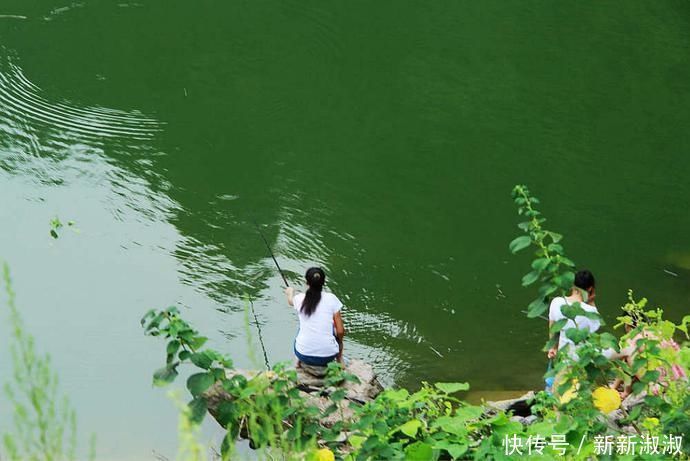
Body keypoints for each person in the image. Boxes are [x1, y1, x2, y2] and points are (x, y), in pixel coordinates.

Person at [285, 267, 345, 367]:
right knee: (334, 329)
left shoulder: (299, 298)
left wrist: (290, 292)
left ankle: (298, 362)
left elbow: (291, 301)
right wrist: (339, 343)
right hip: (328, 356)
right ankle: (339, 358)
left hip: (303, 355)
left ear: (306, 282)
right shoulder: (332, 299)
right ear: (323, 282)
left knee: (301, 328)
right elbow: (340, 331)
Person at [547, 269, 600, 360]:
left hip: (563, 357)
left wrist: (553, 348)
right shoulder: (591, 311)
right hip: (583, 359)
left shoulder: (557, 302)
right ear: (590, 289)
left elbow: (552, 329)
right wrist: (591, 302)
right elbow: (595, 333)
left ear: (573, 285)